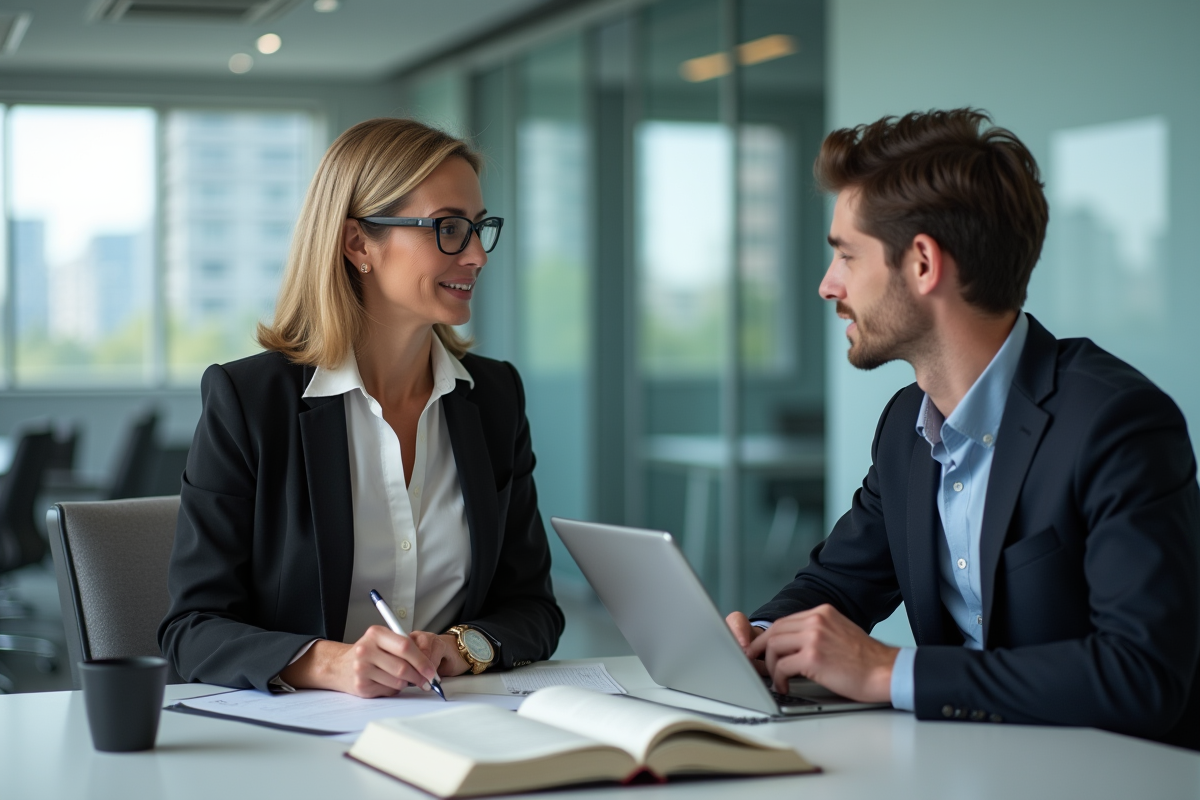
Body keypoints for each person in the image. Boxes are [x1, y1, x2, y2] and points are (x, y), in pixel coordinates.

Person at [725, 109, 1200, 748]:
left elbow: (1140, 675)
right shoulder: (905, 425)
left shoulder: (1116, 424)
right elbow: (840, 582)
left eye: (845, 255)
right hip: (963, 769)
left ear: (922, 263)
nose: (827, 284)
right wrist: (757, 636)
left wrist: (890, 670)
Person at [159, 118, 564, 697]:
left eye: (479, 228)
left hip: (458, 723)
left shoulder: (494, 397)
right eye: (448, 228)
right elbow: (190, 629)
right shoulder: (249, 403)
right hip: (301, 742)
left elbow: (534, 608)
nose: (476, 254)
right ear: (357, 244)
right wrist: (328, 663)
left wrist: (460, 648)